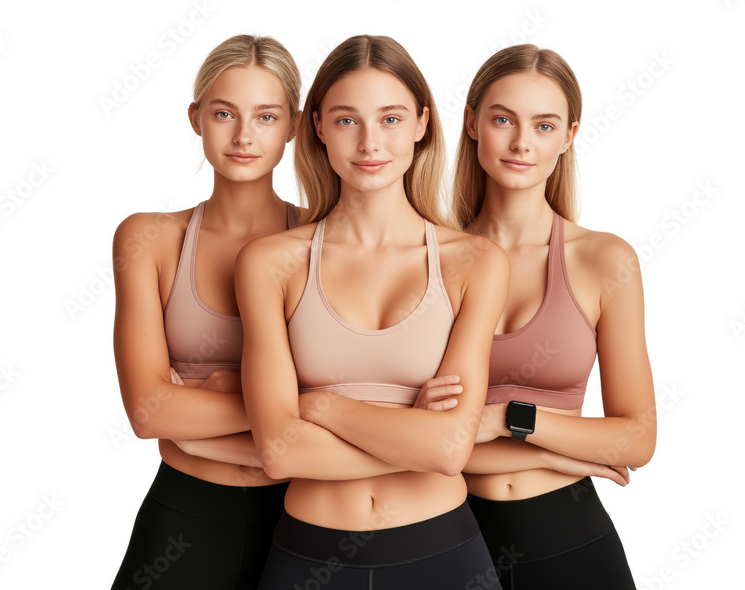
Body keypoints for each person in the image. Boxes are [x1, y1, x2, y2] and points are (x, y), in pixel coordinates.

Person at [235, 34, 509, 588]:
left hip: (444, 554)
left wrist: (323, 408)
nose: (369, 143)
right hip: (308, 557)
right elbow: (280, 452)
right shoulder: (270, 263)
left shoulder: (474, 262)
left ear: (421, 124)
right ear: (316, 126)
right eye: (346, 120)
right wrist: (417, 436)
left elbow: (451, 448)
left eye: (389, 118)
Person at [455, 45, 655, 589]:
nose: (522, 143)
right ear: (472, 123)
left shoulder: (603, 260)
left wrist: (511, 420)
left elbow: (636, 438)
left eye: (544, 125)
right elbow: (408, 436)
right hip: (449, 540)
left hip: (570, 539)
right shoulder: (431, 258)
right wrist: (564, 457)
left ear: (568, 136)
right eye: (503, 120)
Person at [110, 35, 301, 589]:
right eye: (224, 113)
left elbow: (354, 400)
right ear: (196, 118)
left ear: (294, 124)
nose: (244, 135)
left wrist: (199, 411)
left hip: (304, 519)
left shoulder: (323, 239)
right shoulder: (148, 238)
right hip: (184, 518)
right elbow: (148, 411)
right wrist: (288, 409)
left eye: (266, 116)